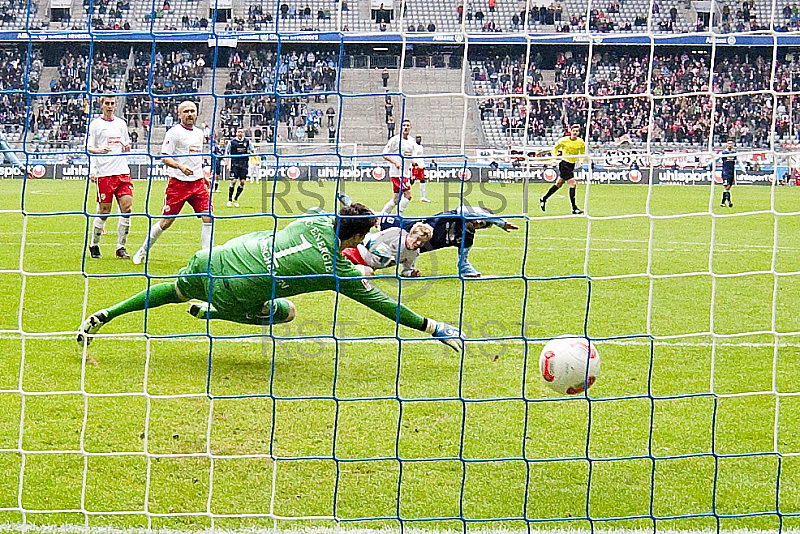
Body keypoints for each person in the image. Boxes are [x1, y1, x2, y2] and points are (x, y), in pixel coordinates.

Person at [78, 204, 464, 352]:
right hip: (235, 291)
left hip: (215, 258)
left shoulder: (314, 218)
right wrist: (432, 326)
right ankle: (212, 314)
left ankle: (104, 315)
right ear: (356, 237)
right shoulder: (338, 269)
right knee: (286, 312)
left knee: (173, 290)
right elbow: (382, 304)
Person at [337, 193, 518, 277]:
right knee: (372, 220)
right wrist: (499, 222)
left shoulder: (467, 238)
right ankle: (350, 205)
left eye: (483, 224)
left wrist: (470, 273)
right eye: (479, 219)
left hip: (414, 247)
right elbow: (468, 209)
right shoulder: (457, 215)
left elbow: (464, 263)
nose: (478, 223)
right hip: (407, 228)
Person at [132, 101, 213, 265]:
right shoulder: (174, 133)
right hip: (178, 184)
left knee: (209, 217)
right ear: (179, 114)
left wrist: (203, 176)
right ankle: (142, 251)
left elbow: (196, 158)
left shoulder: (199, 133)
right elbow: (164, 156)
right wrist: (180, 166)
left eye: (192, 111)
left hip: (197, 184)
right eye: (186, 111)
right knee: (166, 222)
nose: (190, 114)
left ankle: (206, 258)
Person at [86, 95, 133, 260]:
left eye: (112, 103)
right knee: (104, 211)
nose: (110, 106)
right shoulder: (96, 125)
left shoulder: (121, 124)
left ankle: (121, 247)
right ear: (102, 105)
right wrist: (99, 154)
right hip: (104, 174)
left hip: (122, 171)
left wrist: (127, 147)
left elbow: (126, 145)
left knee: (127, 208)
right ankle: (94, 244)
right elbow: (89, 148)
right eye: (107, 103)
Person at [341, 222, 433, 277]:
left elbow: (406, 271)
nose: (418, 243)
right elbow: (369, 240)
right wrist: (384, 253)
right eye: (417, 239)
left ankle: (346, 268)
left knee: (368, 273)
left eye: (422, 242)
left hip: (369, 266)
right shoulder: (396, 233)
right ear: (411, 233)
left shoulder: (414, 253)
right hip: (356, 253)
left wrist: (411, 273)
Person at [540, 123, 586, 215]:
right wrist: (553, 159)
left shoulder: (581, 142)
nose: (575, 133)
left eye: (577, 131)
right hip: (564, 164)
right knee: (573, 183)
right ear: (570, 131)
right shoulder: (563, 140)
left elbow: (582, 152)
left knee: (558, 184)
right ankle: (574, 208)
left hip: (571, 165)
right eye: (574, 131)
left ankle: (544, 198)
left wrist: (580, 161)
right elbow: (555, 149)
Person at [381, 118, 419, 215]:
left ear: (410, 127)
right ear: (401, 127)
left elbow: (412, 156)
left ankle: (382, 215)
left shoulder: (412, 141)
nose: (405, 127)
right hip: (397, 173)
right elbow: (384, 154)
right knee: (408, 195)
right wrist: (395, 162)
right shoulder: (395, 140)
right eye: (404, 125)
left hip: (406, 172)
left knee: (396, 199)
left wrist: (414, 162)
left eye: (407, 125)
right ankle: (399, 215)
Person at [227, 127, 252, 208]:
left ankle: (236, 199)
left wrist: (255, 157)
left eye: (241, 132)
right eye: (238, 132)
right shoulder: (232, 142)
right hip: (235, 164)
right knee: (233, 181)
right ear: (236, 133)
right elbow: (227, 153)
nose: (240, 133)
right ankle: (229, 200)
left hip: (244, 164)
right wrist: (227, 163)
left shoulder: (247, 142)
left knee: (242, 182)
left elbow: (252, 150)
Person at [720, 137, 742, 207]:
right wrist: (708, 165)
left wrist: (743, 169)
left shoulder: (734, 153)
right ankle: (729, 202)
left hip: (732, 172)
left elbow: (739, 161)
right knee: (727, 187)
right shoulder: (723, 152)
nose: (730, 145)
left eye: (731, 144)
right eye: (729, 143)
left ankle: (723, 202)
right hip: (725, 172)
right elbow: (716, 159)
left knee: (728, 188)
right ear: (727, 144)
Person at [412, 134, 430, 202]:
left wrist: (422, 164)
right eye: (417, 138)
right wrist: (414, 164)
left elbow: (421, 156)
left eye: (420, 138)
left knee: (422, 180)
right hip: (415, 165)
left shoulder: (421, 147)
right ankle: (402, 195)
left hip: (421, 165)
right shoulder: (414, 146)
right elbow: (413, 155)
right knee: (411, 181)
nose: (419, 139)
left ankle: (423, 197)